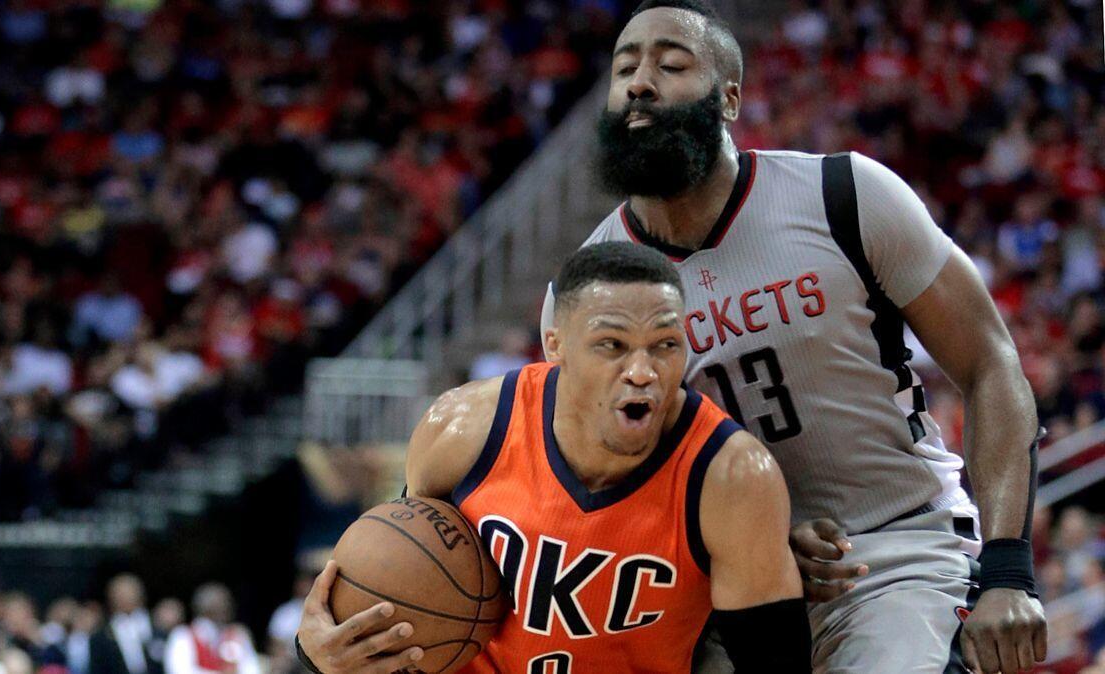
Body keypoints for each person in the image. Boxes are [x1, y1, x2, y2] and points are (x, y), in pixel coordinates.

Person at [537, 1, 1047, 672]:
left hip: (895, 552)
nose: (639, 81)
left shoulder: (844, 193)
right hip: (719, 590)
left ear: (729, 97)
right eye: (624, 66)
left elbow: (990, 362)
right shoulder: (582, 294)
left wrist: (1009, 569)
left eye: (670, 63)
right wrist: (757, 539)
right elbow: (595, 486)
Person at [296, 242, 811, 672]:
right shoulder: (463, 428)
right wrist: (319, 655)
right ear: (554, 344)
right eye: (612, 344)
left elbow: (775, 663)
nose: (642, 370)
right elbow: (395, 583)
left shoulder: (732, 476)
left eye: (665, 344)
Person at [164, 584, 259, 674]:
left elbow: (252, 669)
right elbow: (179, 671)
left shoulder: (237, 634)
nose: (227, 607)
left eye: (227, 603)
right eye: (221, 603)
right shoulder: (183, 634)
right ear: (205, 608)